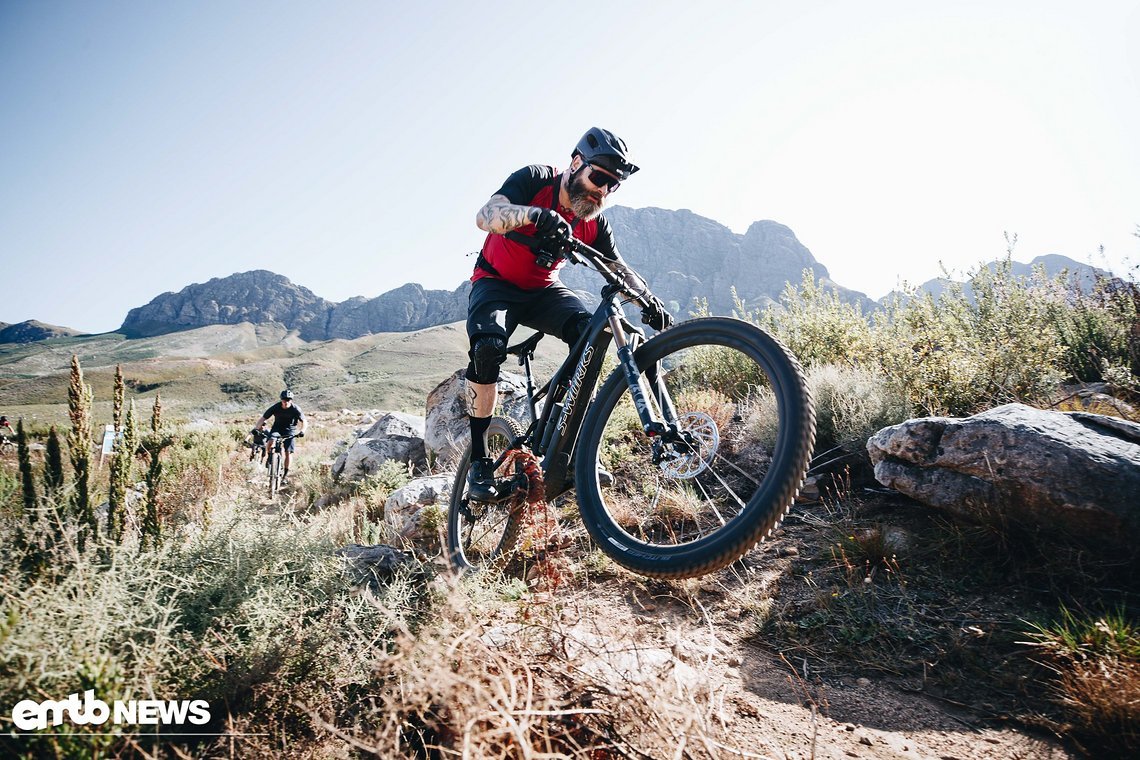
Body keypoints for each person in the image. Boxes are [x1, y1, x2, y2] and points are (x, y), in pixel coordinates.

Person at [465, 127, 673, 500]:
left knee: (590, 334)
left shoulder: (594, 221)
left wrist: (648, 302)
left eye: (613, 186)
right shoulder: (536, 179)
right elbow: (487, 215)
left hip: (544, 290)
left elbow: (618, 268)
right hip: (495, 282)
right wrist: (535, 216)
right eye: (599, 178)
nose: (603, 191)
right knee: (487, 351)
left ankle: (566, 444)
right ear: (576, 163)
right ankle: (479, 464)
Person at [254, 390, 306, 483]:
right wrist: (256, 429)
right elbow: (263, 418)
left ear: (291, 400)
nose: (286, 402)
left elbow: (304, 421)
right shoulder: (276, 407)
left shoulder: (295, 409)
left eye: (288, 400)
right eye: (284, 400)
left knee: (288, 452)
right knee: (270, 441)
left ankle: (285, 475)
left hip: (290, 431)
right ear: (281, 400)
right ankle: (270, 457)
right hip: (277, 429)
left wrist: (302, 431)